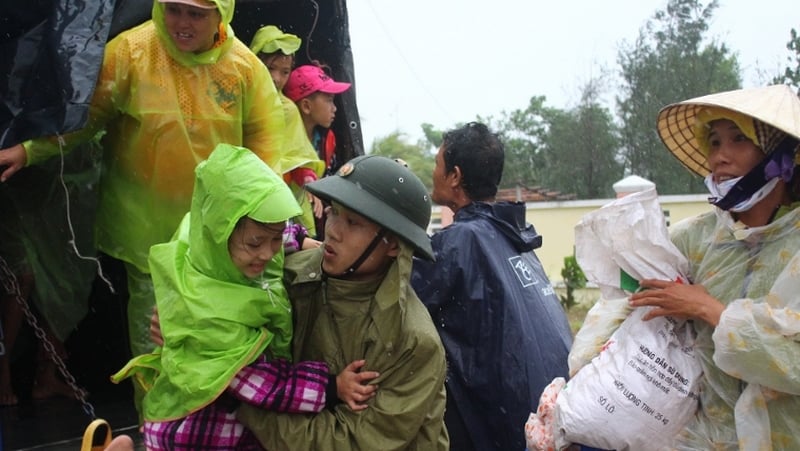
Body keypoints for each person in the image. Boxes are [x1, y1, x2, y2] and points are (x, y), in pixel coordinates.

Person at [0, 0, 286, 415]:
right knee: (152, 340)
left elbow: (267, 150)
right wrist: (29, 150)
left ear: (220, 14)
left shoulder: (245, 69)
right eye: (174, 9)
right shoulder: (130, 53)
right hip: (145, 237)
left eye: (196, 14)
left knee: (216, 337)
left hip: (217, 239)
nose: (182, 23)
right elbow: (84, 118)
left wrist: (273, 224)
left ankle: (207, 429)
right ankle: (155, 428)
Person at [573, 84, 800, 450]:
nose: (720, 156)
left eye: (738, 139)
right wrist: (585, 376)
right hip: (703, 438)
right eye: (714, 141)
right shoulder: (695, 239)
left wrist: (708, 310)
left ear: (780, 156)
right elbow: (624, 303)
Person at [112, 144, 378, 449]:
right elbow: (260, 383)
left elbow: (268, 229)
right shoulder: (207, 315)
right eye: (255, 244)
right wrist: (330, 387)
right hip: (199, 432)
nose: (267, 253)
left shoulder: (210, 241)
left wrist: (301, 240)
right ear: (220, 233)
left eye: (274, 240)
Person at [236, 155, 450, 450]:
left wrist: (244, 406)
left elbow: (352, 441)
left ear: (393, 245)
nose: (332, 230)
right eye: (334, 212)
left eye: (353, 222)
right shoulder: (287, 276)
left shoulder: (410, 341)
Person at [410, 122, 574, 451]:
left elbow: (402, 299)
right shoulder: (513, 235)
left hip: (504, 425)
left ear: (455, 176)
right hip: (551, 413)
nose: (433, 172)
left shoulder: (460, 240)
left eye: (437, 164)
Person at [249, 25, 325, 249]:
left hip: (278, 195)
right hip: (245, 191)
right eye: (270, 68)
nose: (276, 78)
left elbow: (296, 154)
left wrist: (306, 176)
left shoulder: (287, 110)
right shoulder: (241, 99)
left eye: (284, 72)